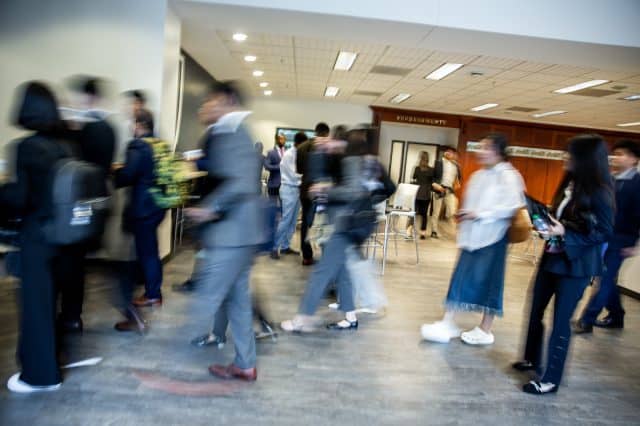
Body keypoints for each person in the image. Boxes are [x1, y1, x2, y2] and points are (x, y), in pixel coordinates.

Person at [513, 134, 614, 395]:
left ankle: (550, 379)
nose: (564, 158)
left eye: (570, 154)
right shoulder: (569, 185)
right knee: (535, 308)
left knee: (560, 322)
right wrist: (546, 222)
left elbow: (604, 232)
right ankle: (532, 358)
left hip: (576, 265)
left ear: (585, 159)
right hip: (553, 255)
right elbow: (567, 219)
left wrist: (564, 233)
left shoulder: (601, 191)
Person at [185, 81, 262, 381]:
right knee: (238, 301)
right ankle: (245, 364)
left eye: (211, 100)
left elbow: (241, 182)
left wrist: (209, 206)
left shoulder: (234, 132)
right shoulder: (228, 132)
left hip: (233, 234)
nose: (207, 106)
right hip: (240, 235)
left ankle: (168, 367)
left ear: (227, 100)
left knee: (207, 296)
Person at [421, 133, 525, 345]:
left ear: (498, 151)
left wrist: (480, 214)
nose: (480, 152)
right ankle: (448, 321)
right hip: (471, 237)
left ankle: (486, 329)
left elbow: (511, 206)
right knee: (460, 278)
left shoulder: (509, 175)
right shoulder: (480, 174)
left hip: (494, 238)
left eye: (486, 148)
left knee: (490, 282)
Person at [1, 82, 68, 393]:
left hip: (37, 235)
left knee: (34, 306)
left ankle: (41, 377)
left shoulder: (25, 148)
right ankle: (48, 361)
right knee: (48, 303)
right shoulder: (66, 147)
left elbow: (21, 198)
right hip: (64, 236)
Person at [281, 128, 372, 332]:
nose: (327, 142)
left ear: (340, 141)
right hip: (343, 223)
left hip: (345, 224)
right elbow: (317, 175)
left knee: (322, 272)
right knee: (342, 271)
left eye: (331, 139)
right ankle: (350, 316)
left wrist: (325, 190)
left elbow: (353, 191)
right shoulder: (339, 159)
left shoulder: (350, 160)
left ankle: (303, 318)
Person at [54, 76, 116, 334]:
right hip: (96, 203)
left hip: (75, 204)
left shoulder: (86, 130)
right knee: (75, 263)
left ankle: (68, 315)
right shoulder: (108, 128)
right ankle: (72, 315)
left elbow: (74, 166)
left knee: (69, 262)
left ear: (89, 98)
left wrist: (71, 129)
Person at [574, 139, 640, 333]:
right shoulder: (611, 179)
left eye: (623, 154)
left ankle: (588, 319)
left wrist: (634, 243)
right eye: (616, 154)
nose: (618, 158)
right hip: (603, 236)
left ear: (634, 159)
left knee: (603, 277)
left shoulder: (637, 185)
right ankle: (617, 315)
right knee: (607, 277)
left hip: (621, 239)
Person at [113, 109, 167, 315]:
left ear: (139, 125)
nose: (130, 126)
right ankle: (154, 291)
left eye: (132, 123)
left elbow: (128, 175)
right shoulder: (160, 144)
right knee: (151, 250)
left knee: (147, 252)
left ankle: (153, 294)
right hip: (159, 205)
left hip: (143, 208)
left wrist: (115, 172)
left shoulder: (137, 145)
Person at [296, 122, 330, 265]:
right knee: (323, 223)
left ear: (315, 131)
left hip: (305, 189)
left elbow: (298, 170)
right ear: (326, 133)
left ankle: (307, 256)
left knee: (306, 222)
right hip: (321, 190)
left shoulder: (302, 147)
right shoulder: (326, 147)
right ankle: (325, 255)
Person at [272, 132, 306, 259]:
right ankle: (275, 247)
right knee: (286, 219)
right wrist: (306, 177)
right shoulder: (289, 155)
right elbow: (293, 175)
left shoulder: (298, 153)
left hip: (297, 190)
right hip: (288, 189)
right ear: (298, 143)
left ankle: (286, 246)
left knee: (293, 221)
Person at [428, 147, 460, 239]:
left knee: (452, 212)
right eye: (447, 152)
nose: (449, 153)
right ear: (444, 153)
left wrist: (456, 184)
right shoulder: (438, 163)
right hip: (439, 189)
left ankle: (455, 233)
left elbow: (457, 178)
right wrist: (435, 185)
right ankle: (434, 231)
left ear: (454, 154)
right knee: (436, 212)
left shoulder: (456, 165)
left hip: (449, 191)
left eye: (451, 152)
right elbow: (432, 177)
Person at [408, 151, 435, 240]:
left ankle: (409, 232)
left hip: (417, 193)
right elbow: (432, 182)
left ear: (420, 158)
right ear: (428, 159)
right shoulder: (431, 170)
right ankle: (422, 233)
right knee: (424, 214)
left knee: (413, 212)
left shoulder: (417, 168)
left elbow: (414, 178)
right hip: (426, 194)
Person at [264, 133, 286, 199]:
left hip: (285, 184)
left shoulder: (287, 152)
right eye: (280, 139)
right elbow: (267, 166)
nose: (282, 141)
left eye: (284, 139)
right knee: (272, 205)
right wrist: (279, 166)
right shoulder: (271, 152)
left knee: (283, 206)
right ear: (276, 140)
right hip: (274, 184)